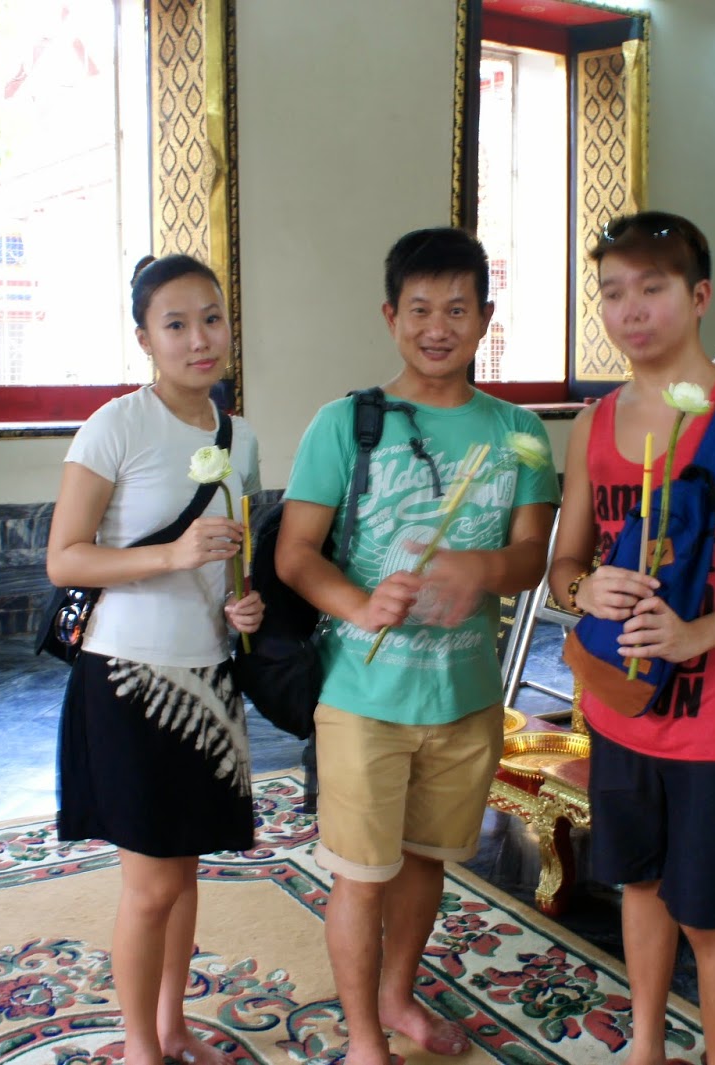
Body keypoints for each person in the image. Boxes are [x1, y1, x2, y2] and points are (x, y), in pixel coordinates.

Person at [275, 227, 559, 1065]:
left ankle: (398, 996)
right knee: (362, 873)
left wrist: (481, 568)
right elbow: (295, 554)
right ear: (391, 316)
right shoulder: (346, 423)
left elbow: (532, 557)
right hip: (363, 697)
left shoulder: (519, 432)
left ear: (486, 319)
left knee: (428, 860)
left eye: (458, 310)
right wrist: (361, 606)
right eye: (422, 309)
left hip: (466, 695)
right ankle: (365, 1038)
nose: (439, 328)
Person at [548, 211, 715, 1065]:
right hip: (621, 708)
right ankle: (645, 1047)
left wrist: (696, 631)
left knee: (706, 910)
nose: (630, 309)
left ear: (700, 297)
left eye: (652, 288)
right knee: (637, 883)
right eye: (612, 292)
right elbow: (564, 565)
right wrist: (586, 586)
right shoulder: (595, 424)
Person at [46, 253, 264, 1065]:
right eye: (176, 324)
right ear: (144, 338)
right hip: (128, 676)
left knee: (187, 869)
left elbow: (236, 558)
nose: (199, 339)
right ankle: (140, 1045)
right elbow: (64, 558)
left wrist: (244, 602)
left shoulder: (240, 437)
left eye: (211, 318)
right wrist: (172, 556)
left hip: (207, 675)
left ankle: (173, 1025)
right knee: (152, 884)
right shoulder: (115, 427)